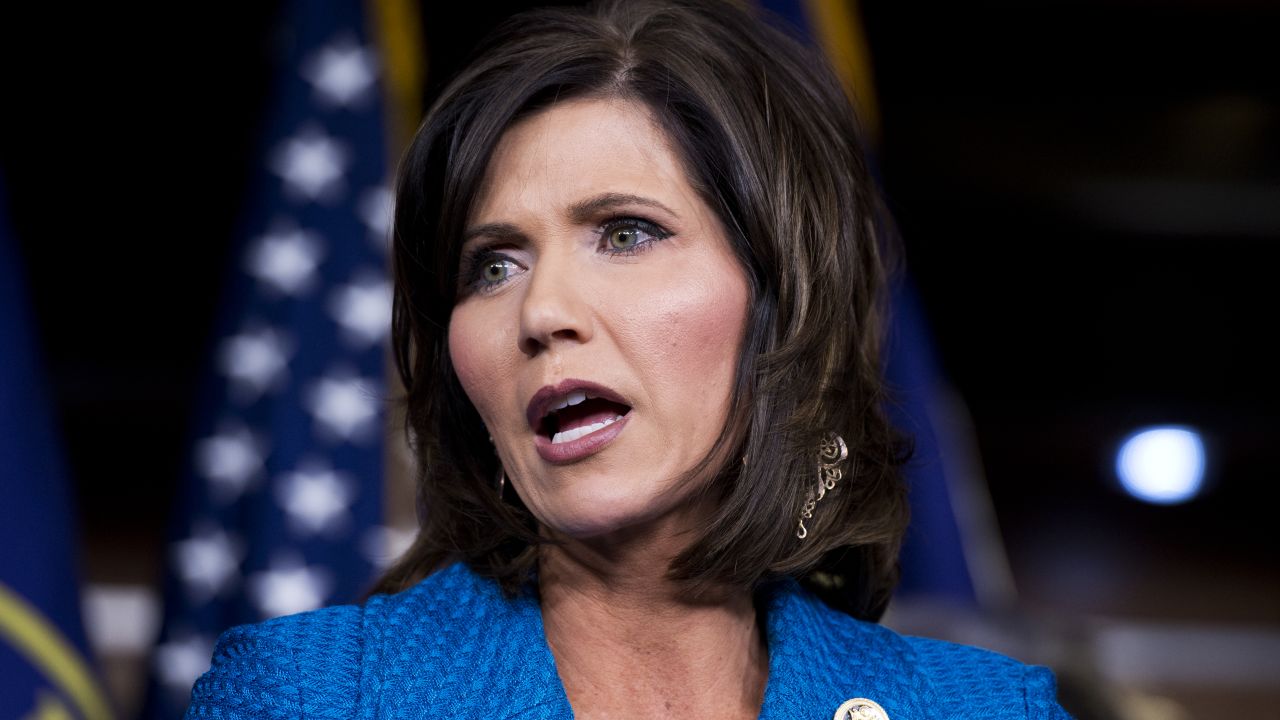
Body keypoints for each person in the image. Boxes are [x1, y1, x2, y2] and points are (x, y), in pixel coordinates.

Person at [186, 1, 1072, 718]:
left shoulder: (987, 708)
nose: (541, 312)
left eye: (626, 233)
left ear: (780, 298)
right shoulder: (310, 695)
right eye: (491, 266)